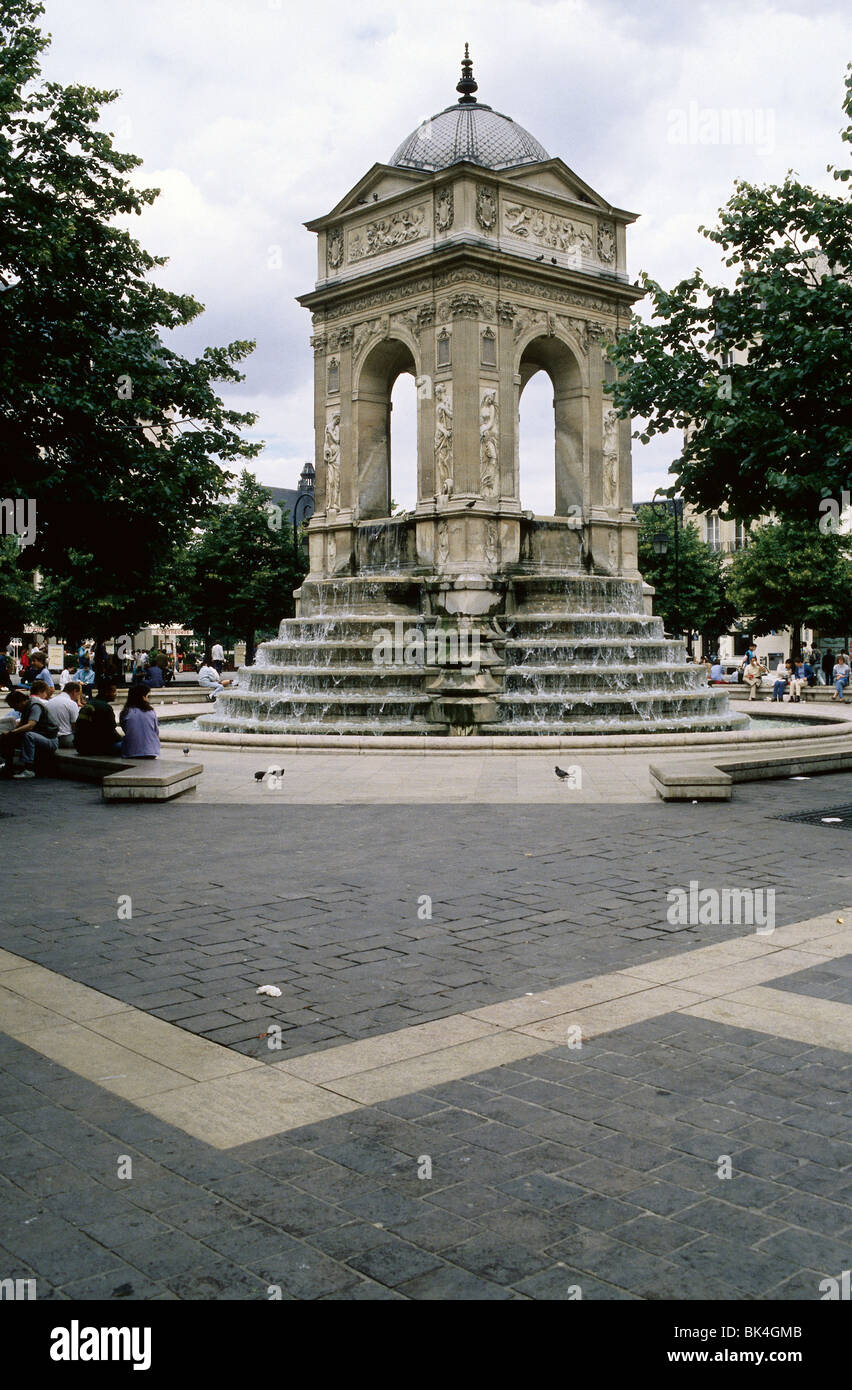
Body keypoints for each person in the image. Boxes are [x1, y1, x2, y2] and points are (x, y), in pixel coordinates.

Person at [0, 688, 60, 778]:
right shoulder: (26, 707)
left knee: (28, 735)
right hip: (39, 736)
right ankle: (8, 766)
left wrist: (12, 732)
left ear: (20, 702)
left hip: (49, 739)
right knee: (8, 737)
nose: (15, 710)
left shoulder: (35, 706)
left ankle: (29, 769)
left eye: (15, 707)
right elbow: (21, 725)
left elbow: (30, 725)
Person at [73, 682, 123, 755]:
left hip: (80, 746)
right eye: (114, 691)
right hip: (94, 747)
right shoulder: (105, 707)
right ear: (106, 692)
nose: (115, 694)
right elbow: (110, 731)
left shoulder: (90, 703)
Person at [119, 684, 161, 758]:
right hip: (152, 752)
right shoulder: (151, 711)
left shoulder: (125, 712)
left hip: (131, 752)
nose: (148, 699)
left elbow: (125, 730)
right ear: (143, 697)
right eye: (148, 696)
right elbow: (156, 733)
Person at [48, 680, 83, 748]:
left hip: (50, 737)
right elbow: (75, 726)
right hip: (64, 738)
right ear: (74, 691)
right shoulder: (71, 703)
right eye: (78, 694)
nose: (77, 697)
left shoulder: (50, 701)